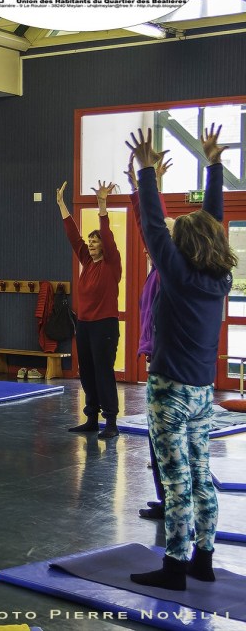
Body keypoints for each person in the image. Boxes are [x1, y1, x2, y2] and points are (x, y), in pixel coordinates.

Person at [128, 125, 233, 591]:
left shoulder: (178, 276)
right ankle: (203, 558)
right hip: (202, 394)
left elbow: (154, 226)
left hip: (169, 391)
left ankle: (174, 567)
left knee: (175, 479)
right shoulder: (217, 280)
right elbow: (213, 222)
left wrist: (146, 174)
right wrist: (214, 167)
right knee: (201, 475)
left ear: (183, 248)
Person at [125, 154, 175, 521]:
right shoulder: (158, 270)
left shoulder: (171, 273)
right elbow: (149, 225)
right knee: (157, 439)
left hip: (166, 362)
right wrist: (138, 188)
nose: (148, 243)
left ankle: (172, 500)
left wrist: (148, 184)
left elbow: (154, 225)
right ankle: (165, 498)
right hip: (156, 357)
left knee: (165, 438)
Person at [57, 179, 122, 438]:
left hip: (105, 325)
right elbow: (74, 237)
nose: (92, 244)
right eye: (91, 241)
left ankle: (111, 423)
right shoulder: (87, 261)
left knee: (103, 372)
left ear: (104, 246)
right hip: (84, 325)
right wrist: (62, 205)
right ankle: (92, 418)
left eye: (96, 241)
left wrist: (102, 205)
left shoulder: (111, 264)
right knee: (87, 372)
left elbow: (107, 234)